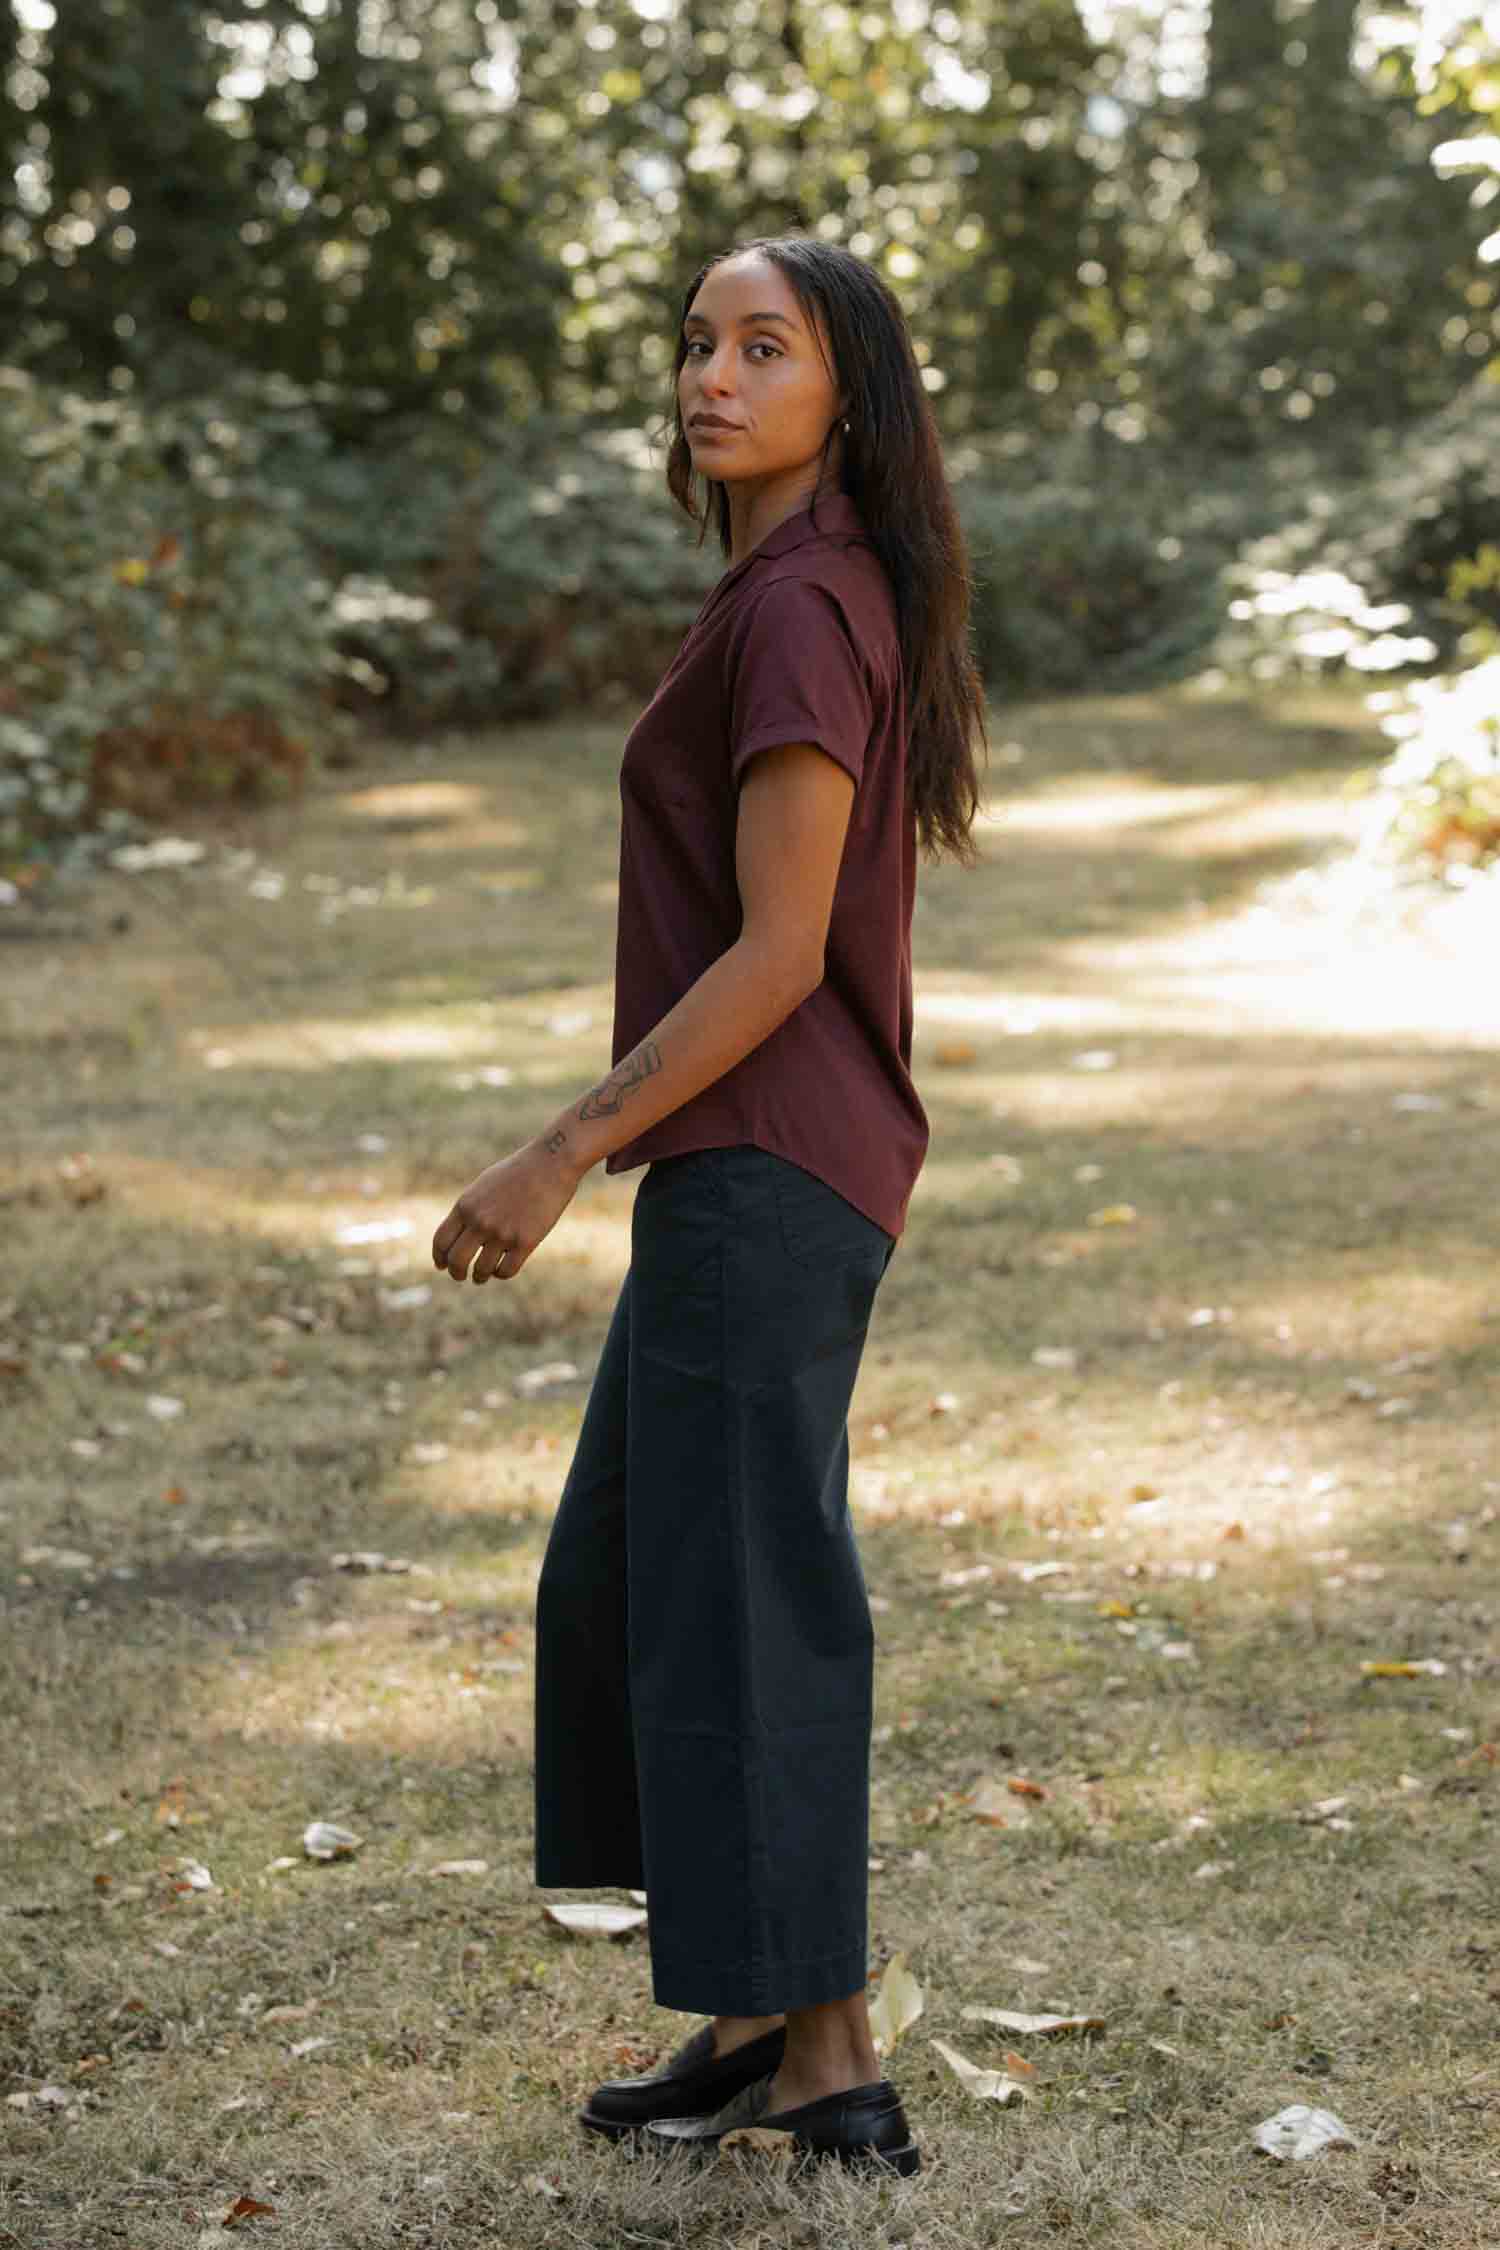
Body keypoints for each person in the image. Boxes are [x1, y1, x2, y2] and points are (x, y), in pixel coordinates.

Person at [431, 232, 987, 2178]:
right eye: (698, 344)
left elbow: (777, 956)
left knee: (746, 1603)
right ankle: (758, 2018)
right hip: (744, 1169)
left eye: (768, 347)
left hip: (773, 1164)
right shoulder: (770, 594)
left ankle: (835, 2065)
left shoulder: (806, 609)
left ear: (852, 393)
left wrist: (558, 1144)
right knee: (624, 1576)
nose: (714, 377)